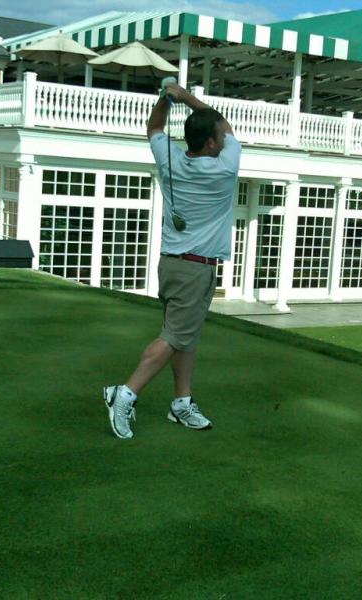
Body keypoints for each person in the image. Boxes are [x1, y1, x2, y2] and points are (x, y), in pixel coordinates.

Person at [103, 82, 241, 440]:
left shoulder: (170, 159)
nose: (223, 139)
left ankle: (181, 402)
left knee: (185, 337)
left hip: (171, 264)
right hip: (196, 269)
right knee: (174, 337)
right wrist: (185, 96)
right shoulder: (225, 169)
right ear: (210, 143)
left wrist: (165, 99)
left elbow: (154, 128)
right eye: (218, 138)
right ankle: (125, 393)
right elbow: (223, 123)